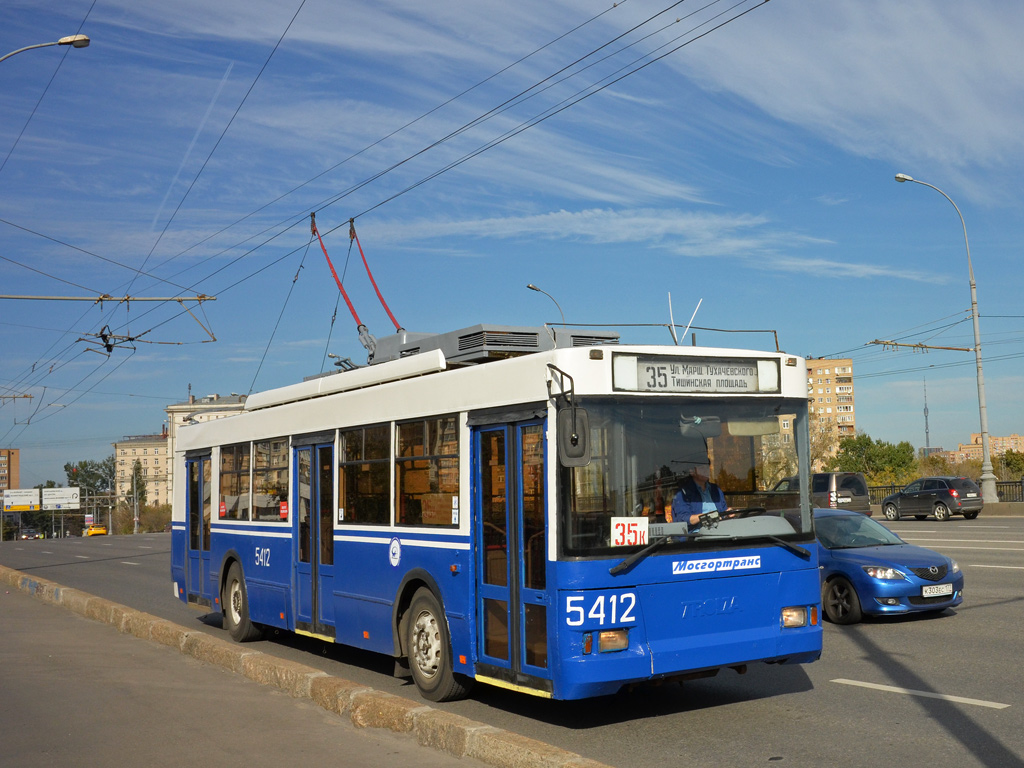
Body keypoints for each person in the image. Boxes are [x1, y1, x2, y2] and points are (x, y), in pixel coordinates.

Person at [670, 463, 728, 531]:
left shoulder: (716, 489)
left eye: (707, 467)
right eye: (702, 467)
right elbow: (683, 518)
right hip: (696, 537)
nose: (706, 470)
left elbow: (723, 512)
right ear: (692, 471)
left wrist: (727, 514)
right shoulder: (683, 492)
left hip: (721, 533)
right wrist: (708, 517)